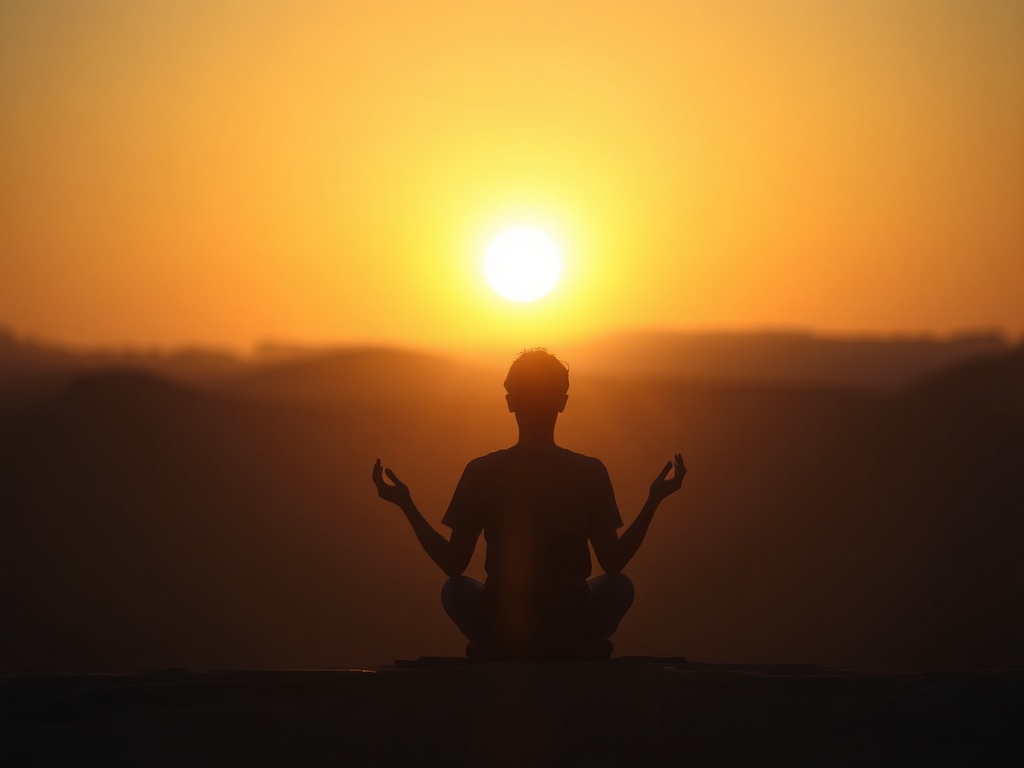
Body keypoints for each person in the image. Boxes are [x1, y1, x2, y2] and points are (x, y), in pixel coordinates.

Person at [372, 348, 686, 661]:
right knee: (620, 586)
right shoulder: (590, 471)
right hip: (570, 624)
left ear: (510, 402)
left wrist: (406, 504)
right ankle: (574, 649)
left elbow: (454, 564)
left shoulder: (481, 471)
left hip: (502, 625)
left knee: (454, 589)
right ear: (562, 402)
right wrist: (654, 499)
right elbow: (613, 562)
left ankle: (498, 648)